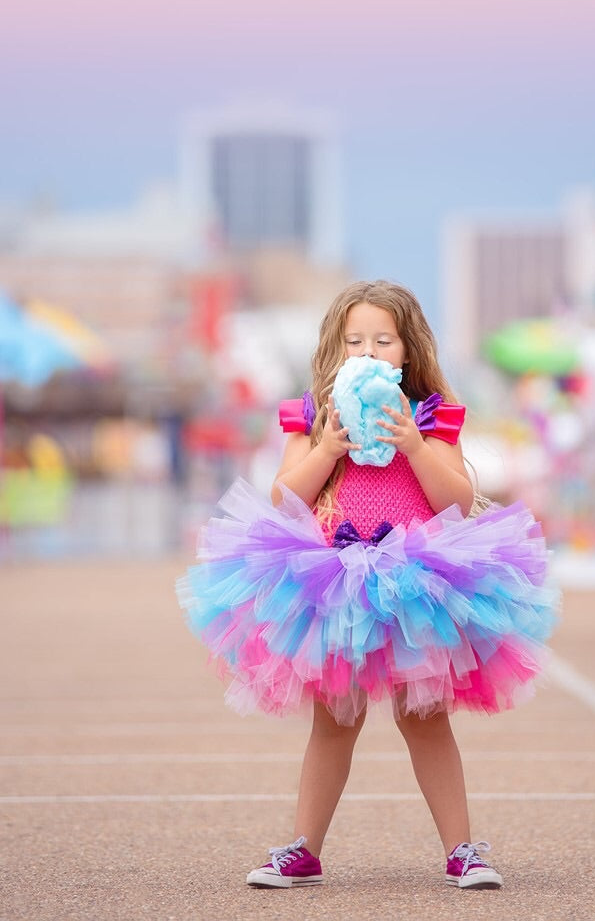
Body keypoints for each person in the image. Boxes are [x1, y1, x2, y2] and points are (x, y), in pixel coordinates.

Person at [177, 280, 559, 892]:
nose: (370, 352)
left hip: (416, 584)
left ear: (408, 351)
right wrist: (327, 447)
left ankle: (462, 850)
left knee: (426, 718)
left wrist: (412, 442)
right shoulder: (313, 411)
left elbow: (456, 503)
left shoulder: (432, 413)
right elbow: (282, 498)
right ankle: (303, 849)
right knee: (333, 723)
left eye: (384, 340)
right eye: (356, 341)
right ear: (338, 348)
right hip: (334, 583)